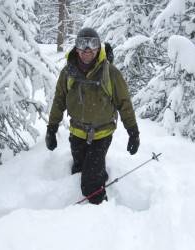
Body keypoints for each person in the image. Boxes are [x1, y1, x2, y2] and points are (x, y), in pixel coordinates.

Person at [45, 28, 140, 204]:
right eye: (82, 44)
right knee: (79, 171)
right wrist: (51, 129)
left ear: (99, 48)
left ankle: (98, 209)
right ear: (76, 47)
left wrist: (133, 132)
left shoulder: (110, 73)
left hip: (101, 135)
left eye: (92, 44)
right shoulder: (68, 72)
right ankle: (98, 175)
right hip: (77, 133)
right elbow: (59, 101)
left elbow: (124, 103)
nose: (87, 50)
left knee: (90, 184)